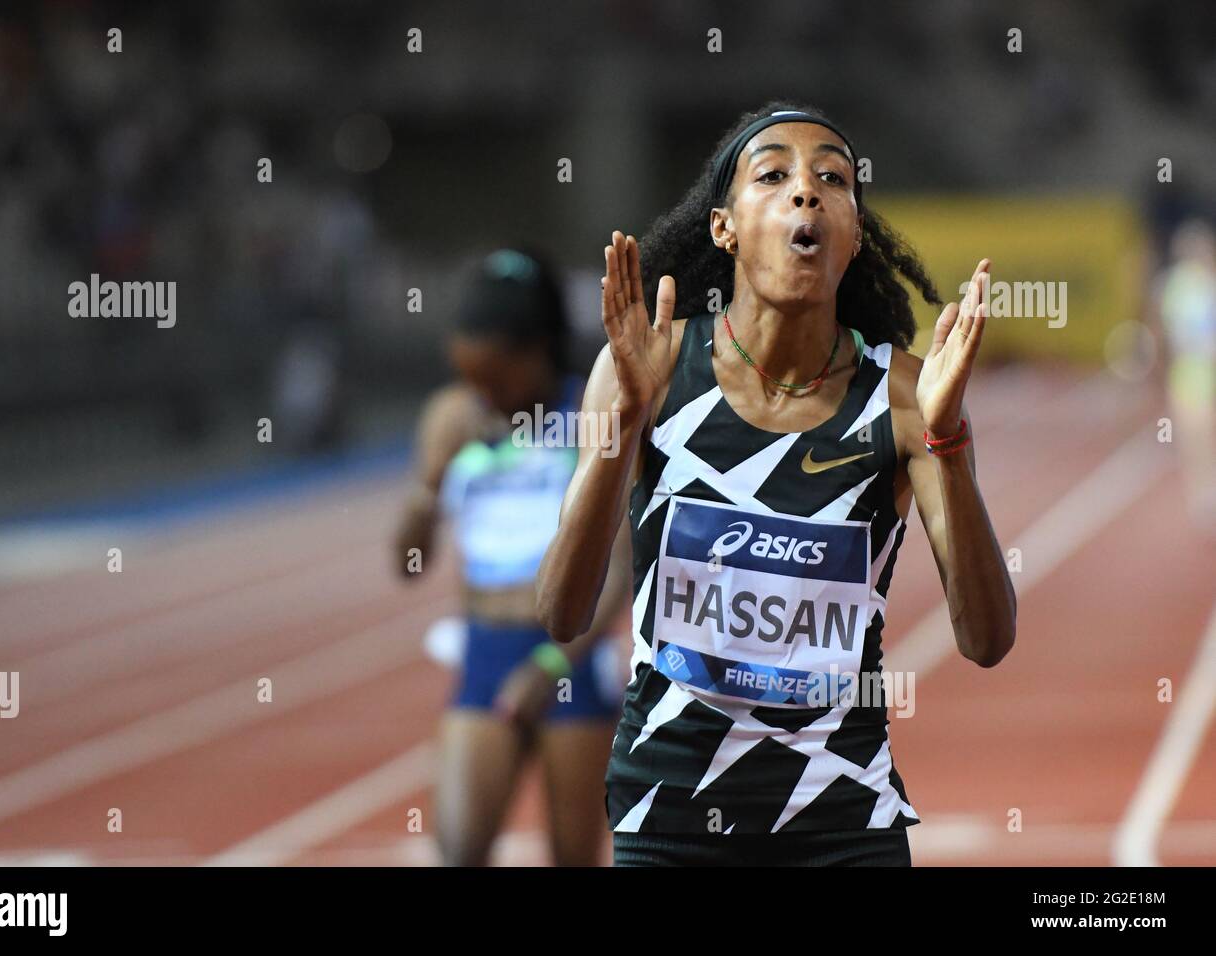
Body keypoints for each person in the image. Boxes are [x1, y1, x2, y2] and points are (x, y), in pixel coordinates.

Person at [535, 103, 1018, 866]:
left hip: (842, 821)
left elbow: (987, 640)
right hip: (670, 816)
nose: (807, 192)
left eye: (834, 178)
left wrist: (948, 440)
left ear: (854, 233)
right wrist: (623, 423)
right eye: (774, 175)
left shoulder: (904, 400)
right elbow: (563, 612)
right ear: (724, 226)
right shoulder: (646, 372)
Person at [395, 247, 630, 866]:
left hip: (568, 661)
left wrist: (553, 662)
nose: (483, 394)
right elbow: (406, 563)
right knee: (459, 849)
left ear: (537, 353)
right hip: (486, 651)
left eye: (495, 379)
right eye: (470, 377)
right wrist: (427, 486)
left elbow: (622, 568)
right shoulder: (451, 415)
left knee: (574, 858)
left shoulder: (591, 415)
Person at [1156, 217, 1216, 530]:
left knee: (1198, 435)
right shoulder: (1183, 285)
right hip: (1192, 371)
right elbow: (1168, 334)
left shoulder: (1194, 283)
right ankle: (1203, 492)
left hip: (1194, 371)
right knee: (1197, 434)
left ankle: (1204, 491)